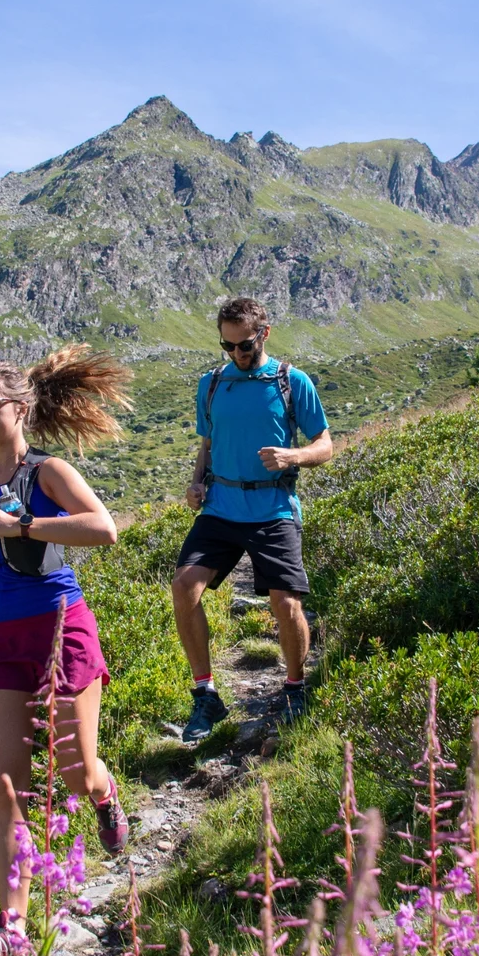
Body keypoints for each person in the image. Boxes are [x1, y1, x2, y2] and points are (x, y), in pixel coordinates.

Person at [0, 345, 131, 956]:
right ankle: (14, 927)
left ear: (19, 408)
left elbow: (103, 528)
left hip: (59, 628)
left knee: (74, 772)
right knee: (7, 784)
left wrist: (23, 526)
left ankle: (105, 797)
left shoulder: (47, 472)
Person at [172, 297, 333, 742]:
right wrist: (196, 482)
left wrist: (292, 455)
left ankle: (295, 688)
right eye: (227, 346)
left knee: (287, 604)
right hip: (221, 506)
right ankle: (205, 694)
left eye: (243, 345)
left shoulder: (291, 381)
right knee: (184, 587)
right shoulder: (211, 384)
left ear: (263, 333)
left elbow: (325, 444)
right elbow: (206, 444)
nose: (236, 354)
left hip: (274, 508)